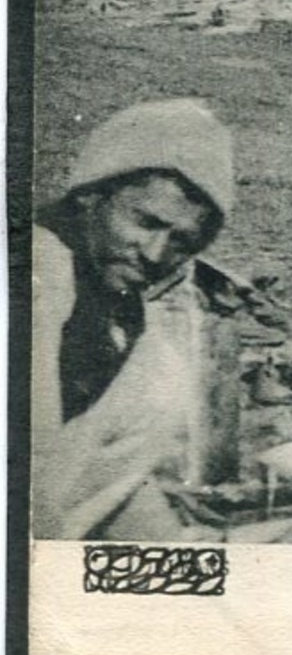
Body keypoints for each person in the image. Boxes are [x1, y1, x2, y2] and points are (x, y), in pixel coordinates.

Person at [32, 99, 236, 540]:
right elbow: (32, 456)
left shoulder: (114, 294)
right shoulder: (40, 270)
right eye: (145, 222)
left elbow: (98, 473)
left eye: (182, 241)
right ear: (90, 195)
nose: (156, 253)